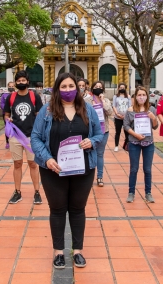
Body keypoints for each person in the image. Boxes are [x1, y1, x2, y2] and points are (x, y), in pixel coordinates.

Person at [30, 72, 103, 269]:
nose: (68, 90)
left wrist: (92, 141)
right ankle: (59, 251)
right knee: (58, 209)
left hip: (83, 169)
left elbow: (100, 133)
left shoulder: (88, 109)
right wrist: (47, 158)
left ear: (78, 88)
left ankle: (77, 251)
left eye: (72, 86)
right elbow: (35, 138)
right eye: (64, 87)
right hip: (54, 170)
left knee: (78, 209)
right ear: (56, 89)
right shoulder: (47, 111)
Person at [4, 70, 44, 204]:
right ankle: (17, 192)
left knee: (33, 163)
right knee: (17, 163)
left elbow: (40, 114)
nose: (21, 83)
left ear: (27, 81)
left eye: (23, 80)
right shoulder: (11, 97)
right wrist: (8, 120)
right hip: (15, 136)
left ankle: (37, 192)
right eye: (18, 81)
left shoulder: (34, 96)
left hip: (31, 136)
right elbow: (6, 114)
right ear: (16, 82)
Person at [123, 86, 159, 203]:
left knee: (147, 169)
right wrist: (135, 134)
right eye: (139, 95)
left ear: (147, 96)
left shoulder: (151, 109)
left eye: (144, 95)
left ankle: (148, 193)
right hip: (134, 142)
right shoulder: (130, 110)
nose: (141, 97)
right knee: (134, 169)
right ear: (135, 96)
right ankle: (131, 192)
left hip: (148, 143)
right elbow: (126, 125)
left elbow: (155, 126)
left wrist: (154, 119)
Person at [85, 81, 113, 186]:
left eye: (100, 87)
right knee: (89, 153)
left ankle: (100, 177)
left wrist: (102, 101)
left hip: (103, 131)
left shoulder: (105, 100)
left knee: (100, 154)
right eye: (96, 87)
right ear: (92, 89)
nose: (98, 88)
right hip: (90, 131)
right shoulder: (87, 101)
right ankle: (88, 176)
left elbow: (110, 113)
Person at [112, 83, 131, 152]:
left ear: (125, 88)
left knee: (127, 132)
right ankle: (116, 146)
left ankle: (126, 145)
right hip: (118, 117)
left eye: (123, 87)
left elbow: (130, 106)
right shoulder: (115, 96)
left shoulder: (128, 96)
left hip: (126, 117)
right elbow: (114, 106)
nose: (122, 88)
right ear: (118, 88)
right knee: (118, 132)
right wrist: (117, 113)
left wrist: (126, 115)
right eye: (120, 87)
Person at [0, 82, 15, 149]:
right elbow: (2, 104)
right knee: (7, 128)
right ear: (7, 86)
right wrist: (6, 109)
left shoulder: (16, 94)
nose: (11, 87)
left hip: (14, 114)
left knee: (15, 128)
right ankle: (7, 142)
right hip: (6, 114)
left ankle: (15, 141)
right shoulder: (4, 95)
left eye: (12, 86)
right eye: (10, 86)